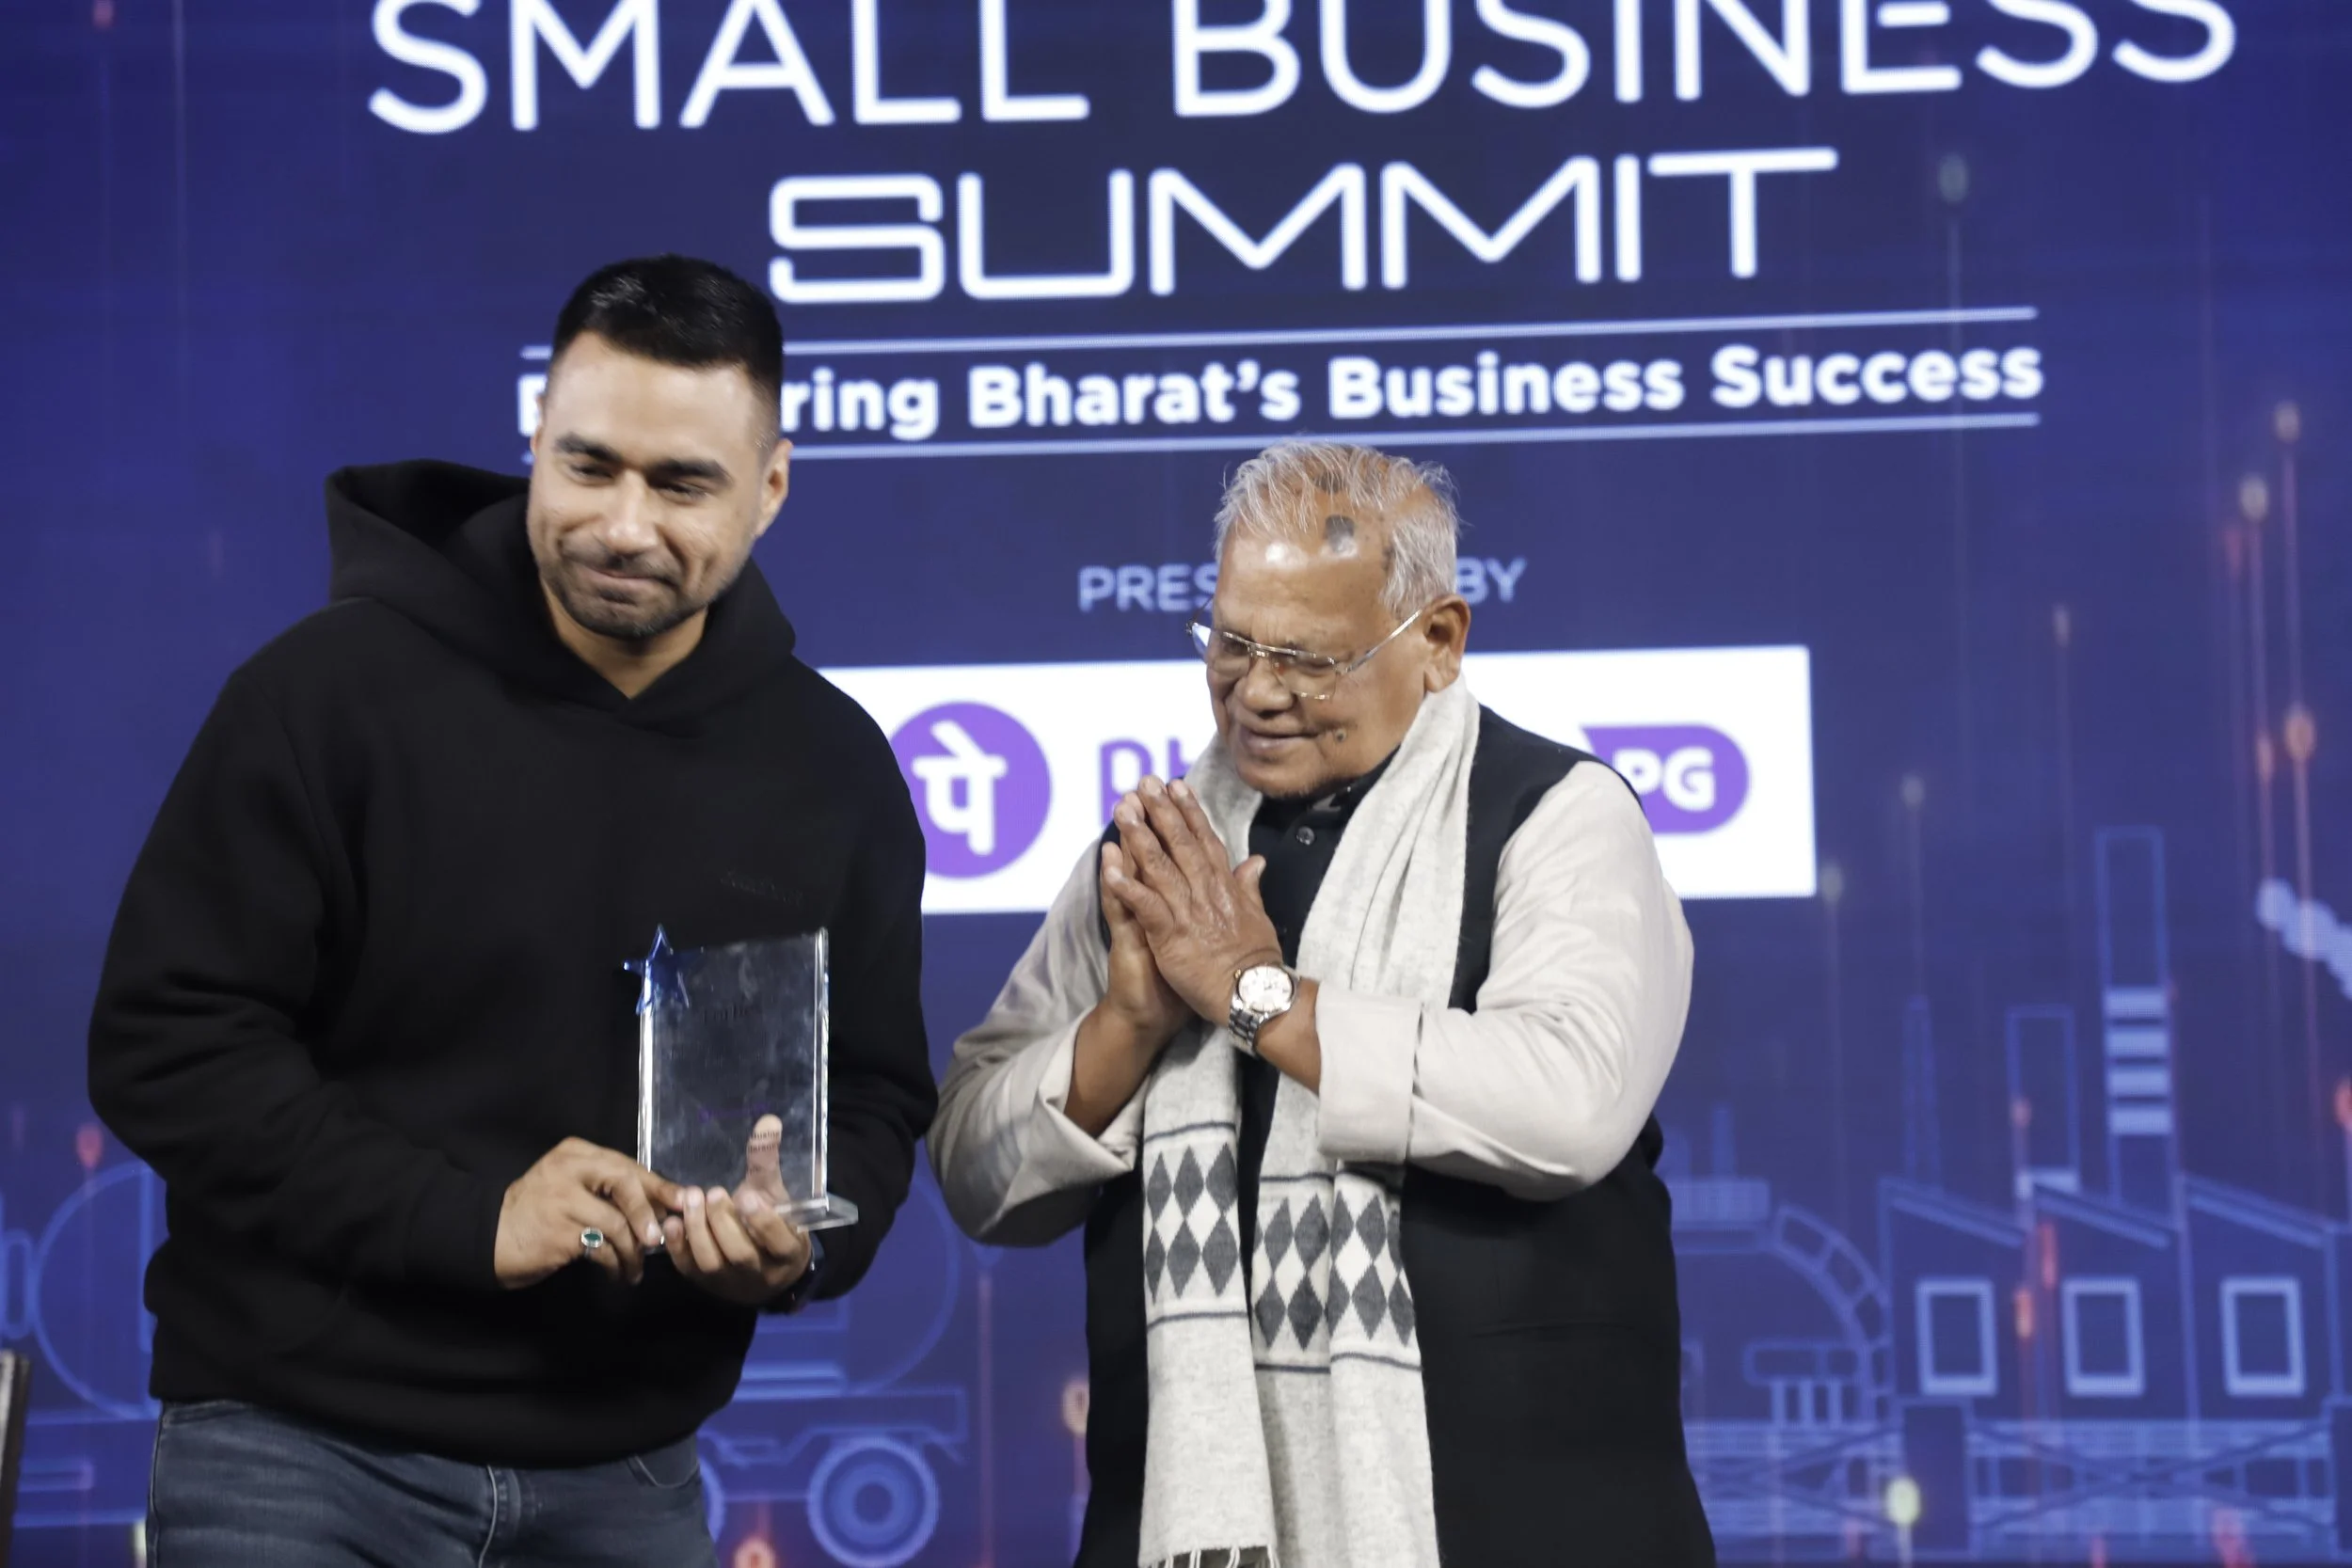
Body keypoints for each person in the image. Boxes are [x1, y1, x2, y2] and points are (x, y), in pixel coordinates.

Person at [87, 256, 936, 1566]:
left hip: (632, 1471)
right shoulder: (326, 697)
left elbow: (875, 1092)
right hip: (295, 1449)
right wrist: (469, 1216)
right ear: (533, 438)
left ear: (770, 487)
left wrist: (799, 1241)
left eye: (681, 482)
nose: (623, 522)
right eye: (587, 465)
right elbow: (170, 1041)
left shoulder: (832, 767)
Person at [930, 439, 1713, 1568]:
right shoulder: (1161, 849)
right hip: (1188, 1515)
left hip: (1532, 1517)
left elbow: (1568, 1103)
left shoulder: (1559, 815)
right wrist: (1129, 1028)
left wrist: (1254, 997)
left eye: (1307, 658)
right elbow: (973, 1165)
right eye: (1230, 642)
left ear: (1437, 641)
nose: (1254, 690)